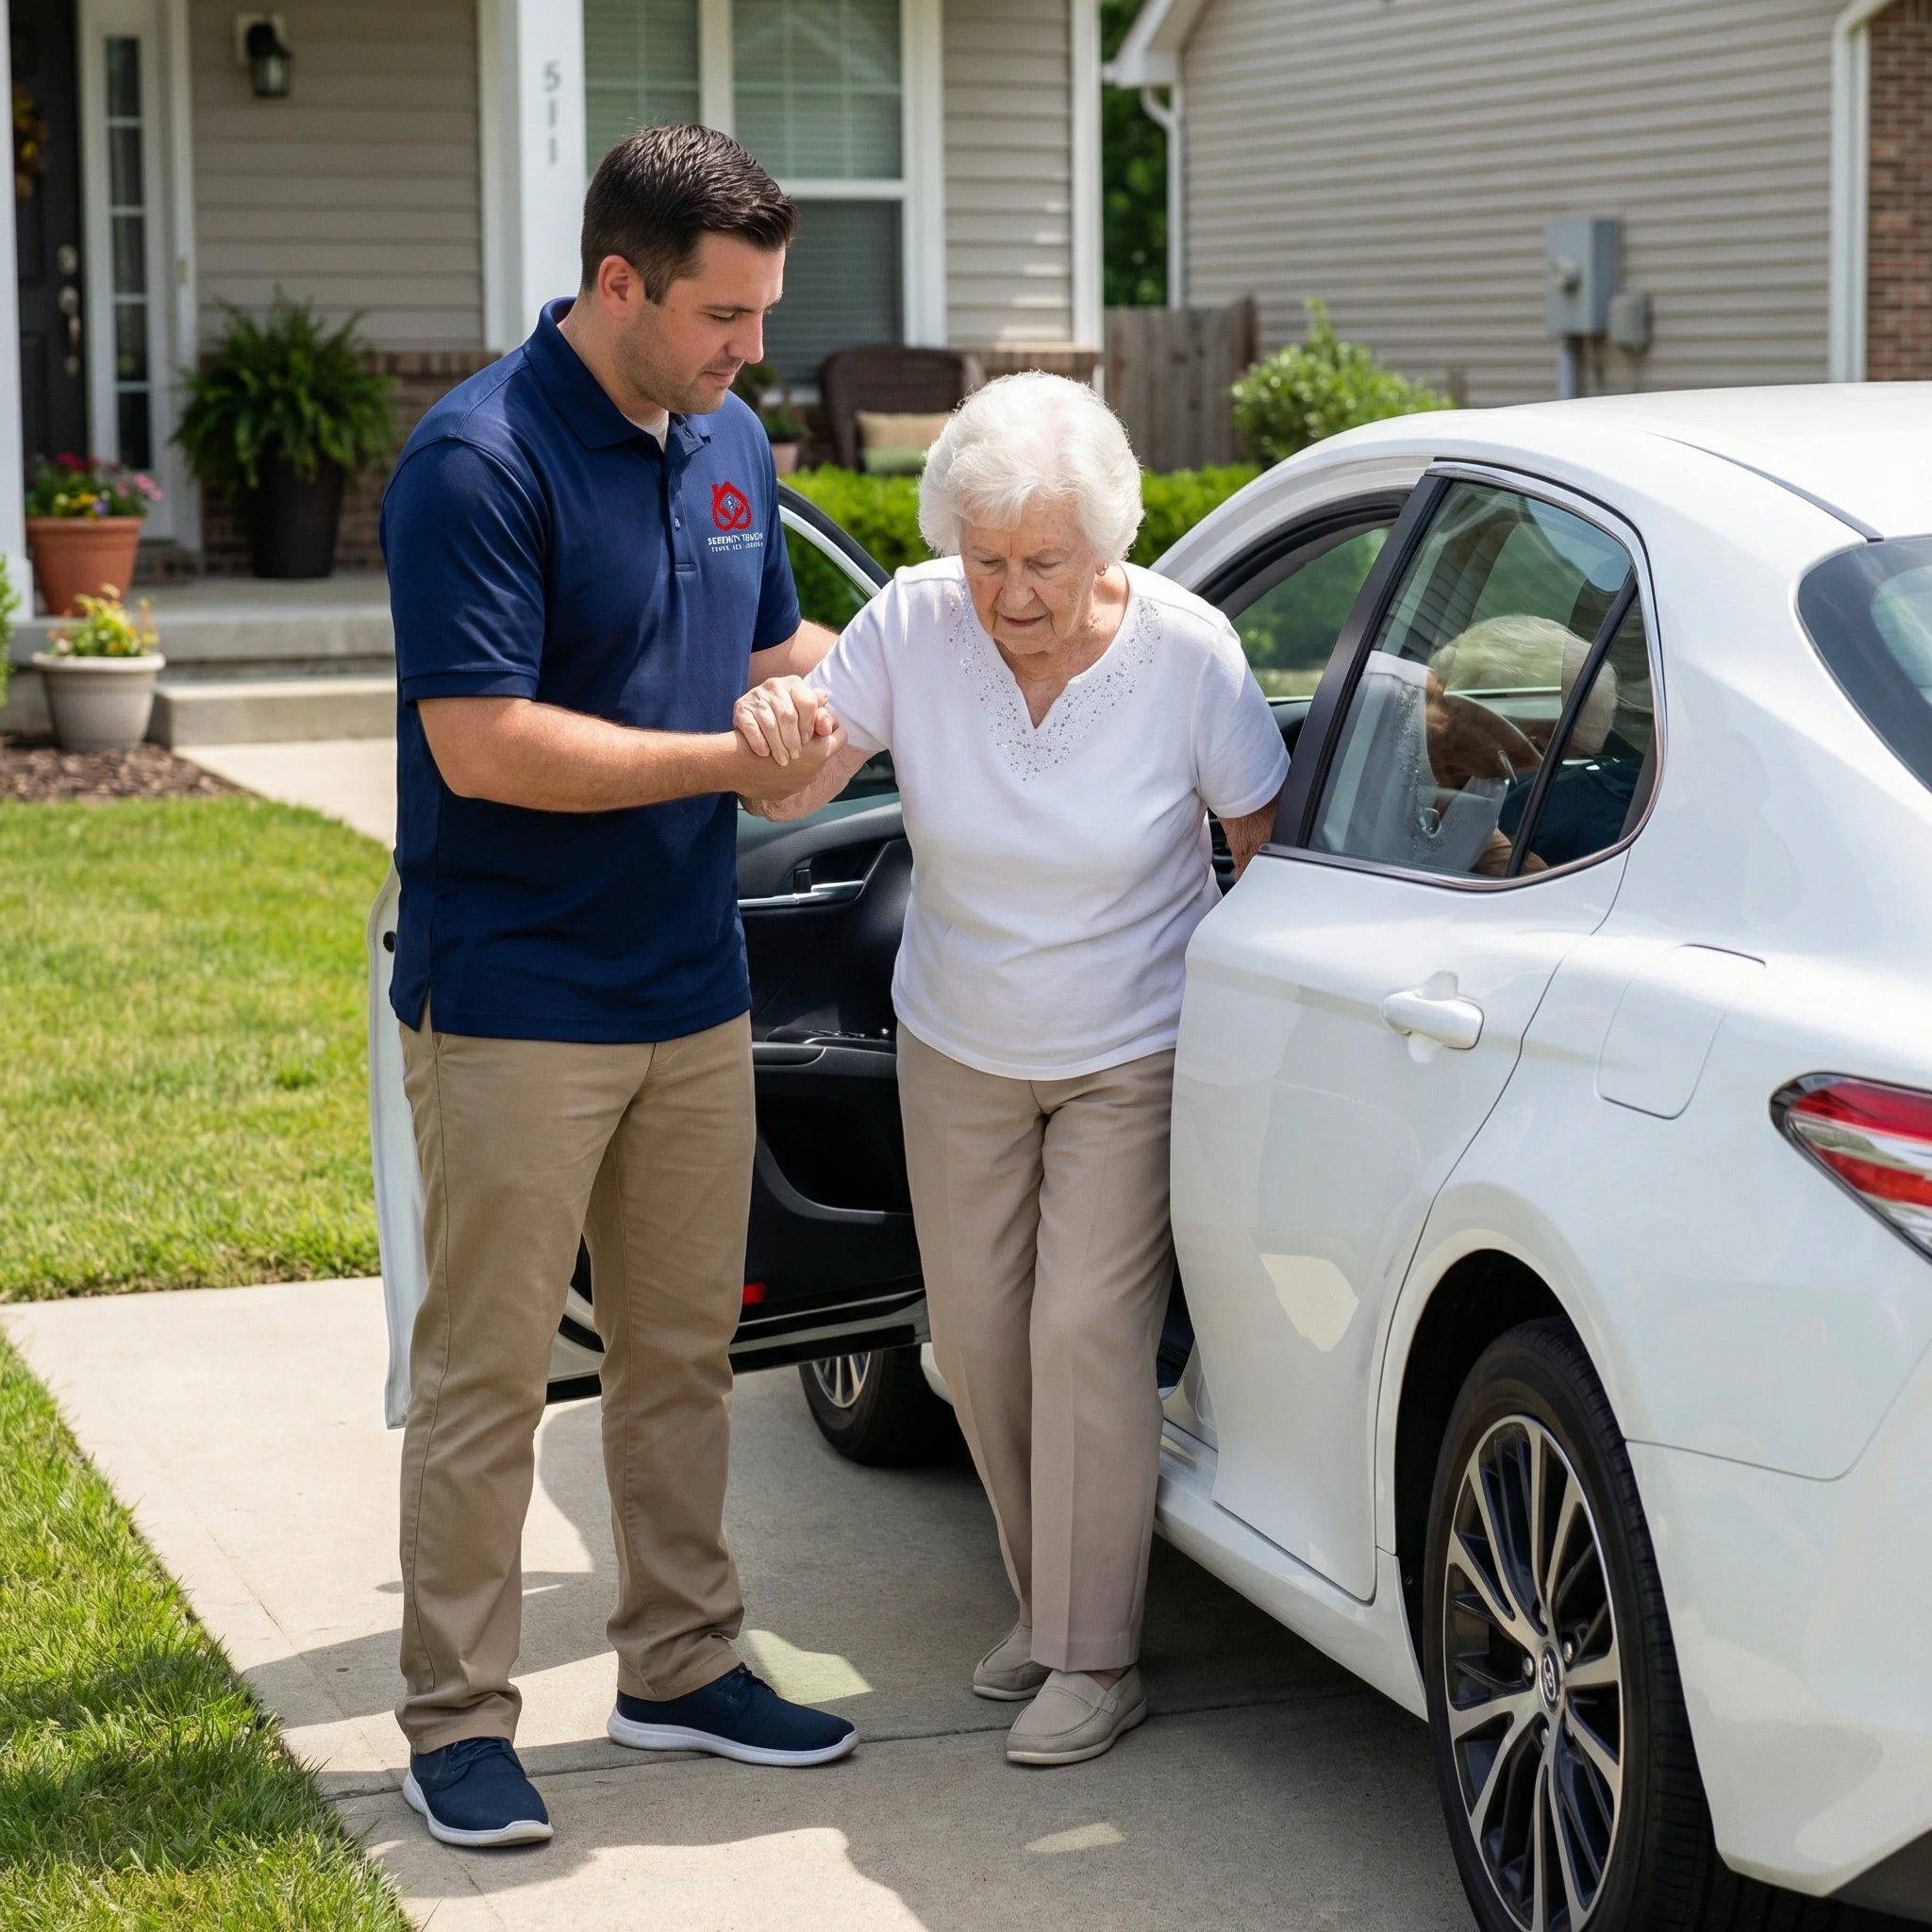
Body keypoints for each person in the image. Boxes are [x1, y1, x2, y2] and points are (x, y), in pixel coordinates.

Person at [379, 125, 858, 1852]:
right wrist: (728, 764)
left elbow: (780, 652)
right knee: (491, 1377)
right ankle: (455, 1722)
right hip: (517, 998)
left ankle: (680, 1662)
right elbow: (484, 742)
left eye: (763, 314)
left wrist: (968, 642)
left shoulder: (723, 439)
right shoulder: (476, 461)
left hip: (694, 985)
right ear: (617, 284)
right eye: (724, 315)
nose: (752, 351)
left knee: (681, 1355)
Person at [735, 374, 1289, 1767]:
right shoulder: (915, 623)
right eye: (986, 560)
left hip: (1130, 1043)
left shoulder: (1189, 653)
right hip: (957, 1037)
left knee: (1083, 1333)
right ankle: (1052, 1605)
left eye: (1043, 562)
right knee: (976, 1343)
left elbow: (1263, 848)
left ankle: (1095, 1657)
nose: (1011, 595)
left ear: (1104, 547)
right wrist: (772, 737)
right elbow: (797, 785)